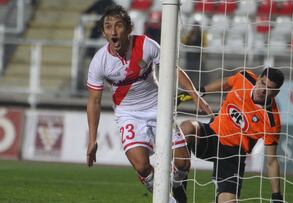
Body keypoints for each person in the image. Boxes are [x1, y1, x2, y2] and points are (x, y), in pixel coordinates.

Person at [85, 5, 213, 203]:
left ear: (129, 28)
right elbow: (94, 101)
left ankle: (177, 186)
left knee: (182, 164)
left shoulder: (146, 45)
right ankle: (168, 200)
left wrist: (194, 94)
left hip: (158, 108)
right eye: (108, 27)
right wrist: (92, 139)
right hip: (128, 114)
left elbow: (173, 68)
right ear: (103, 32)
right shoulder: (99, 61)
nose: (113, 31)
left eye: (118, 26)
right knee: (142, 166)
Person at [180, 67, 285, 203]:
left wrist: (276, 195)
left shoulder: (272, 121)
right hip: (213, 134)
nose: (263, 90)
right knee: (186, 127)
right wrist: (201, 91)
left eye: (270, 88)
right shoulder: (244, 78)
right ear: (258, 79)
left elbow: (271, 161)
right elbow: (226, 83)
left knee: (229, 201)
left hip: (233, 154)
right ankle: (178, 182)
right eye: (263, 83)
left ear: (276, 93)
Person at [181, 22, 208, 87]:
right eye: (194, 27)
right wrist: (190, 37)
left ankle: (202, 87)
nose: (195, 28)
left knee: (200, 75)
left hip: (198, 59)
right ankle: (186, 87)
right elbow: (183, 42)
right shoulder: (189, 34)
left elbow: (205, 45)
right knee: (188, 75)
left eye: (196, 27)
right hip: (189, 59)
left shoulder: (202, 35)